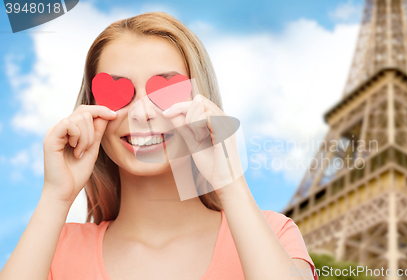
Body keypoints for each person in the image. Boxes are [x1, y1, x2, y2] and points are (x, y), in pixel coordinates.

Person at [0, 12, 317, 280]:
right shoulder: (56, 250)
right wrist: (55, 197)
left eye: (165, 89)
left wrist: (230, 183)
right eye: (119, 92)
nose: (141, 114)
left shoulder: (273, 234)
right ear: (90, 110)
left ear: (200, 101)